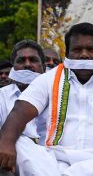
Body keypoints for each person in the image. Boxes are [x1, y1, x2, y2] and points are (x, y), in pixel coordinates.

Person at [0, 23, 93, 176]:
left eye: (91, 50)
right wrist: (6, 142)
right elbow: (19, 112)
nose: (84, 55)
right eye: (77, 50)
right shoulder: (46, 80)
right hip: (53, 161)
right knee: (18, 142)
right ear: (67, 54)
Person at [0, 40, 60, 176]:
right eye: (21, 61)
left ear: (43, 67)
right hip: (16, 163)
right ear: (13, 68)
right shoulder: (2, 97)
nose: (27, 65)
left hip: (58, 159)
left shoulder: (60, 96)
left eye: (33, 60)